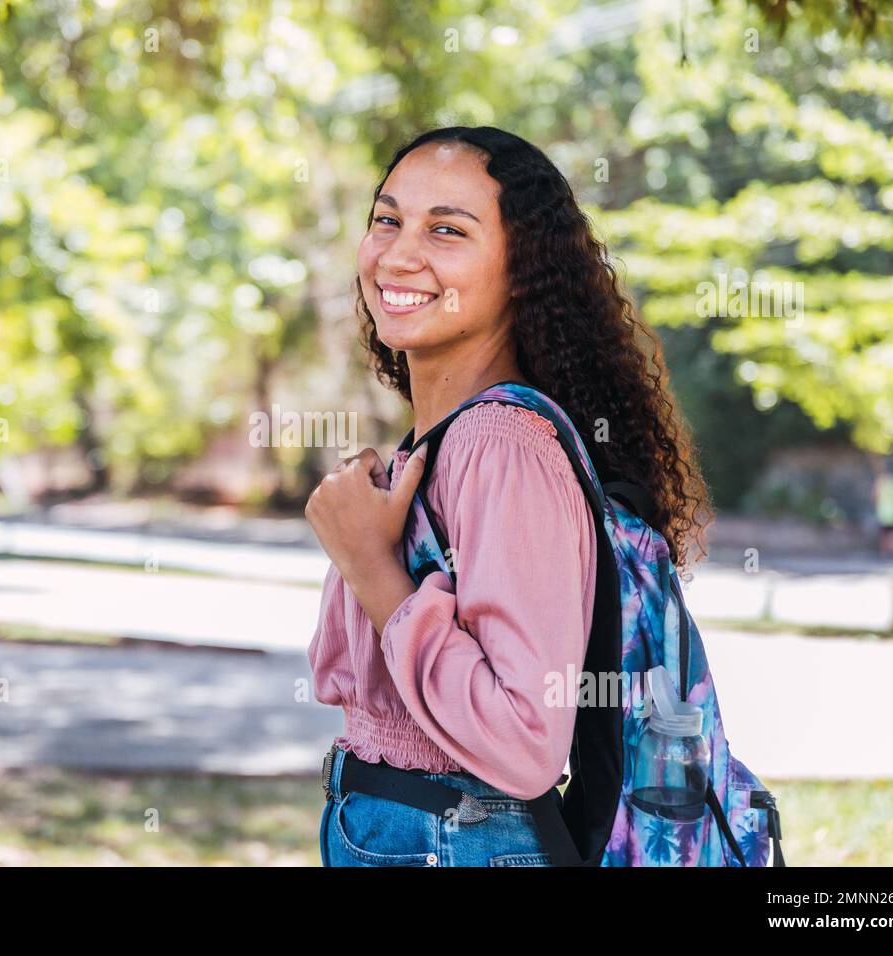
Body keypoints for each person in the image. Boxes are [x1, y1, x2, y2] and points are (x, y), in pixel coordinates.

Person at [304, 126, 713, 867]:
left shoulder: (502, 446)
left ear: (522, 269)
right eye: (387, 219)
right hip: (410, 830)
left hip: (453, 839)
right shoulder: (446, 442)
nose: (398, 253)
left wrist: (370, 565)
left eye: (447, 231)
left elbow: (525, 742)